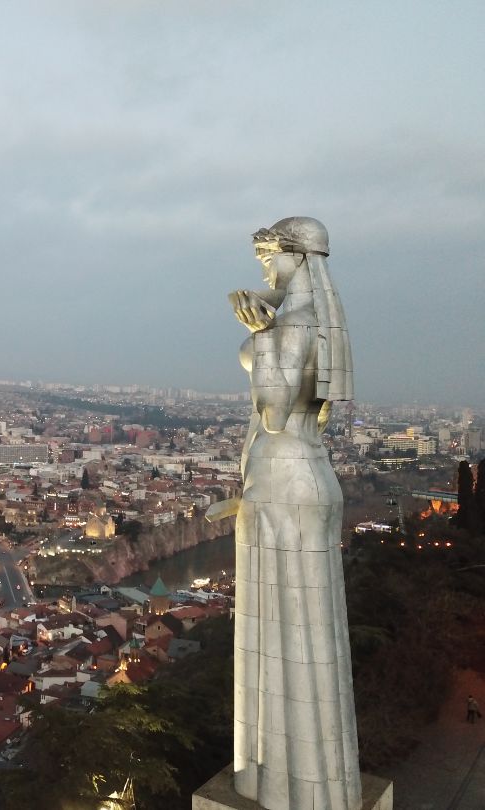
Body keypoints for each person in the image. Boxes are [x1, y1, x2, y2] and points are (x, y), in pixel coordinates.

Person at [230, 217, 361, 810]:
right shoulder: (323, 326)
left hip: (284, 483)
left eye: (269, 259)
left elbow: (275, 411)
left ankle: (284, 788)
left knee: (284, 631)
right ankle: (318, 787)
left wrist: (262, 338)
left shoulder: (292, 326)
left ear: (296, 258)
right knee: (309, 635)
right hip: (304, 478)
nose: (265, 271)